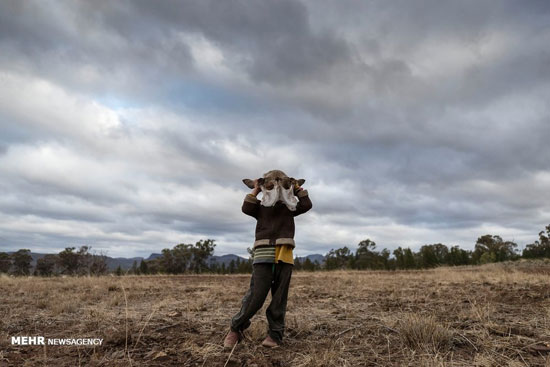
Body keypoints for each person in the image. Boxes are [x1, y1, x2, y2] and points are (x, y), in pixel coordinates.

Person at [224, 171, 312, 348]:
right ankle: (236, 328)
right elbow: (246, 208)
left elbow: (306, 205)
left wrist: (296, 188)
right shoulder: (261, 207)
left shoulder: (290, 207)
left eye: (281, 185)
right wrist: (256, 189)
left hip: (284, 253)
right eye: (271, 186)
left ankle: (275, 335)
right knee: (256, 295)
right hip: (263, 253)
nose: (276, 189)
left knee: (279, 296)